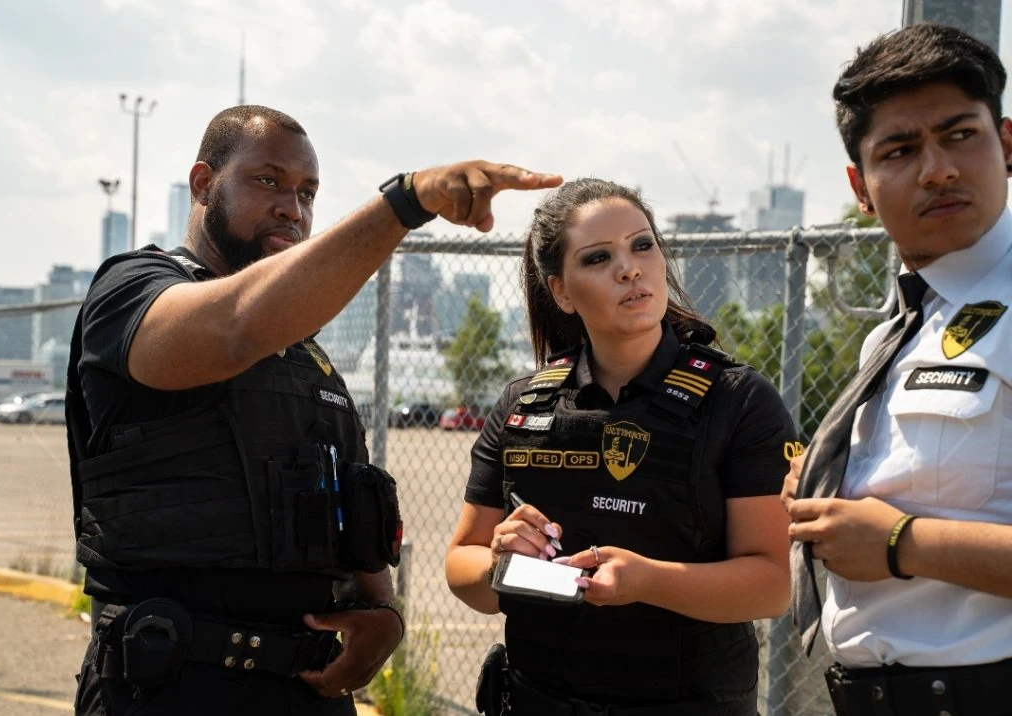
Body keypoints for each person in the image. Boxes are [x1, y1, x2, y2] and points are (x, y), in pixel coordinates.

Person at [65, 104, 561, 716]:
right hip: (167, 685)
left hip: (308, 690)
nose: (291, 207)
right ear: (202, 183)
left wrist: (383, 614)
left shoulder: (309, 360)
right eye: (267, 181)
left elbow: (351, 495)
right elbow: (234, 329)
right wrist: (405, 203)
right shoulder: (132, 291)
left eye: (307, 192)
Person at [445, 178, 796, 715]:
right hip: (538, 697)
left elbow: (772, 585)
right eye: (598, 258)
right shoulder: (524, 404)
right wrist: (500, 562)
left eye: (642, 245)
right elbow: (462, 566)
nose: (630, 268)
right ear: (560, 291)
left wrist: (648, 582)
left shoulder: (738, 400)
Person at [783, 23, 1012, 716]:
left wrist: (898, 543)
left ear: (1007, 144)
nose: (937, 168)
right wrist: (830, 488)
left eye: (960, 135)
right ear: (861, 184)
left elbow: (898, 531)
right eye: (901, 150)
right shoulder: (896, 331)